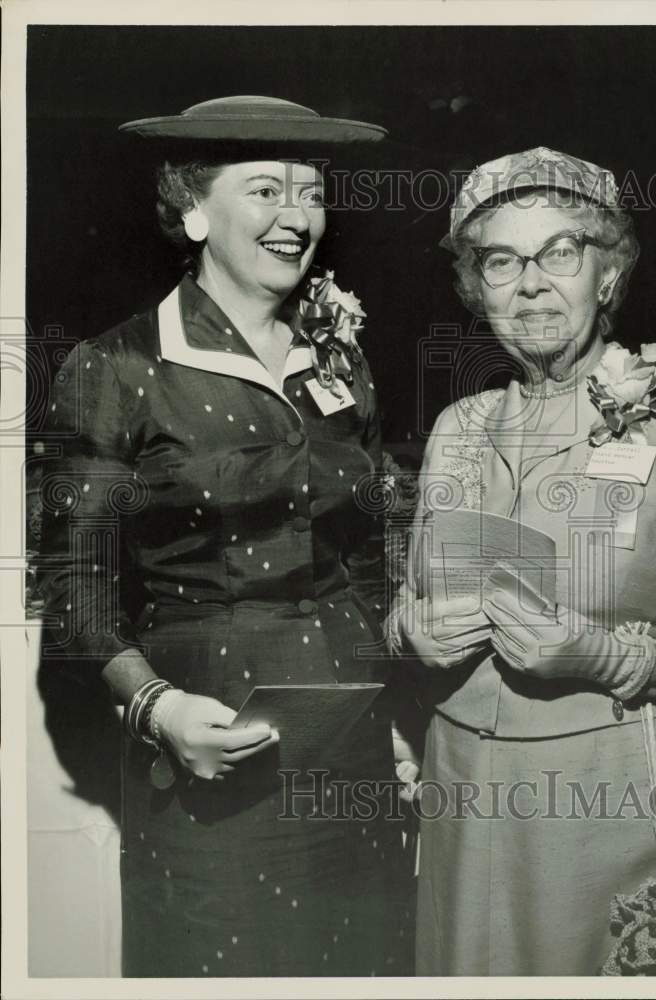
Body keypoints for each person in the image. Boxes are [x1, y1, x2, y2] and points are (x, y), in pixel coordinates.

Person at [37, 96, 416, 977]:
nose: (296, 217)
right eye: (266, 190)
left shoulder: (340, 362)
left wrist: (403, 717)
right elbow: (75, 586)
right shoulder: (119, 366)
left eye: (312, 193)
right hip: (208, 743)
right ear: (195, 212)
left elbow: (369, 558)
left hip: (352, 739)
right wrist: (155, 709)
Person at [389, 146, 656, 976]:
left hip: (618, 794)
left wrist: (609, 653)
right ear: (477, 289)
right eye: (501, 261)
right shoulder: (458, 426)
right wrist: (408, 632)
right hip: (464, 788)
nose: (531, 283)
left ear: (607, 275)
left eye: (560, 253)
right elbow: (409, 593)